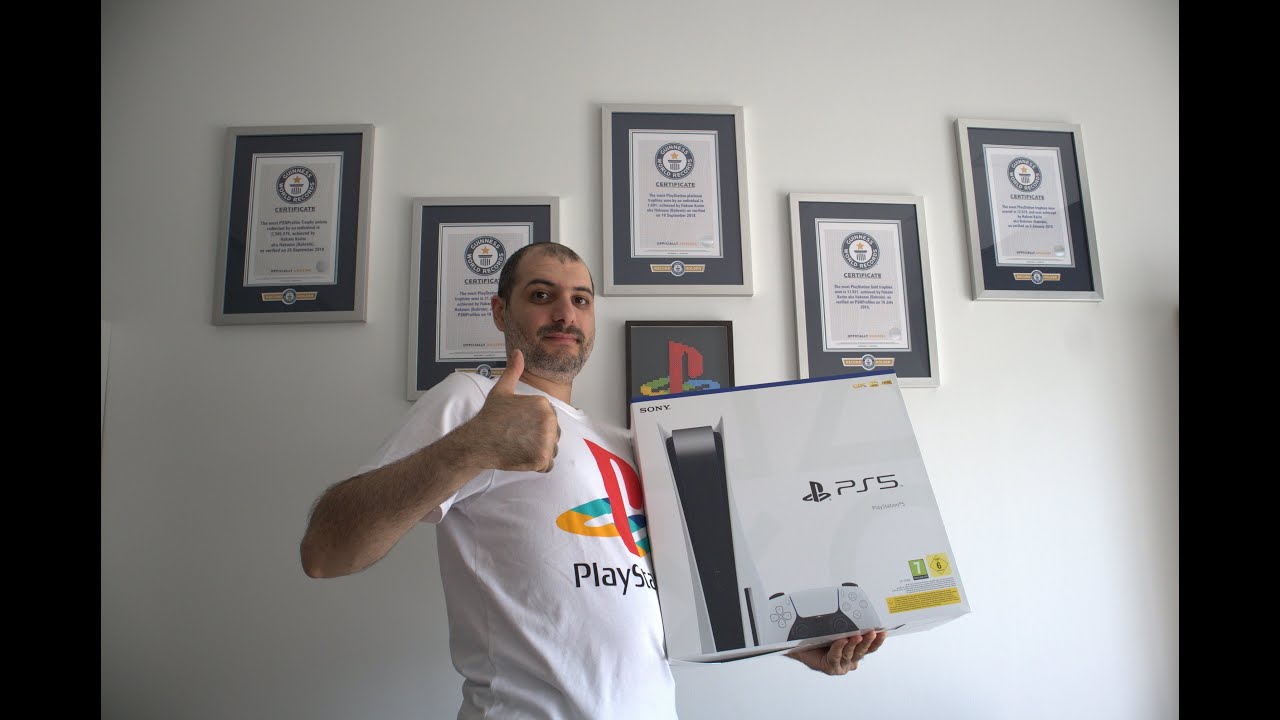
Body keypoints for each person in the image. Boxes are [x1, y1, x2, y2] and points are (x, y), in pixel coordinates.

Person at [299, 242, 886, 719]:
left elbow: (671, 600)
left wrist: (793, 640)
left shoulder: (629, 441)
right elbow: (326, 552)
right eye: (541, 295)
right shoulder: (471, 399)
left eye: (580, 299)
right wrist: (471, 447)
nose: (565, 314)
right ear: (501, 312)